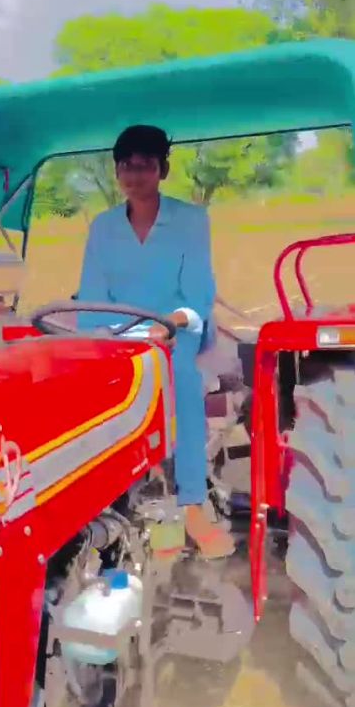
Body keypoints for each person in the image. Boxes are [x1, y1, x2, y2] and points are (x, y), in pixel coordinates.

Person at [77, 124, 234, 559]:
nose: (135, 175)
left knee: (177, 373)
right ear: (117, 172)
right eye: (126, 166)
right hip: (119, 331)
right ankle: (110, 502)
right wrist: (99, 340)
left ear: (162, 170)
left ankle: (192, 504)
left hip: (180, 325)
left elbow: (197, 295)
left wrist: (169, 325)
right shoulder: (103, 227)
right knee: (90, 382)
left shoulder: (190, 220)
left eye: (145, 165)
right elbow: (92, 298)